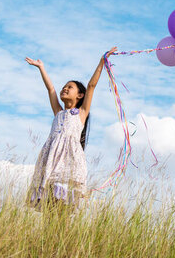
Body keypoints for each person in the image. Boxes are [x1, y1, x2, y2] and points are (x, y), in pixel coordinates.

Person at [24, 47, 117, 210]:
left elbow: (92, 85)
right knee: (50, 201)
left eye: (70, 87)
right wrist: (41, 68)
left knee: (63, 203)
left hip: (69, 161)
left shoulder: (81, 113)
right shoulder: (58, 112)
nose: (64, 89)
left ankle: (62, 229)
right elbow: (51, 89)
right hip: (52, 159)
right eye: (64, 87)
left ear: (79, 95)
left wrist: (102, 62)